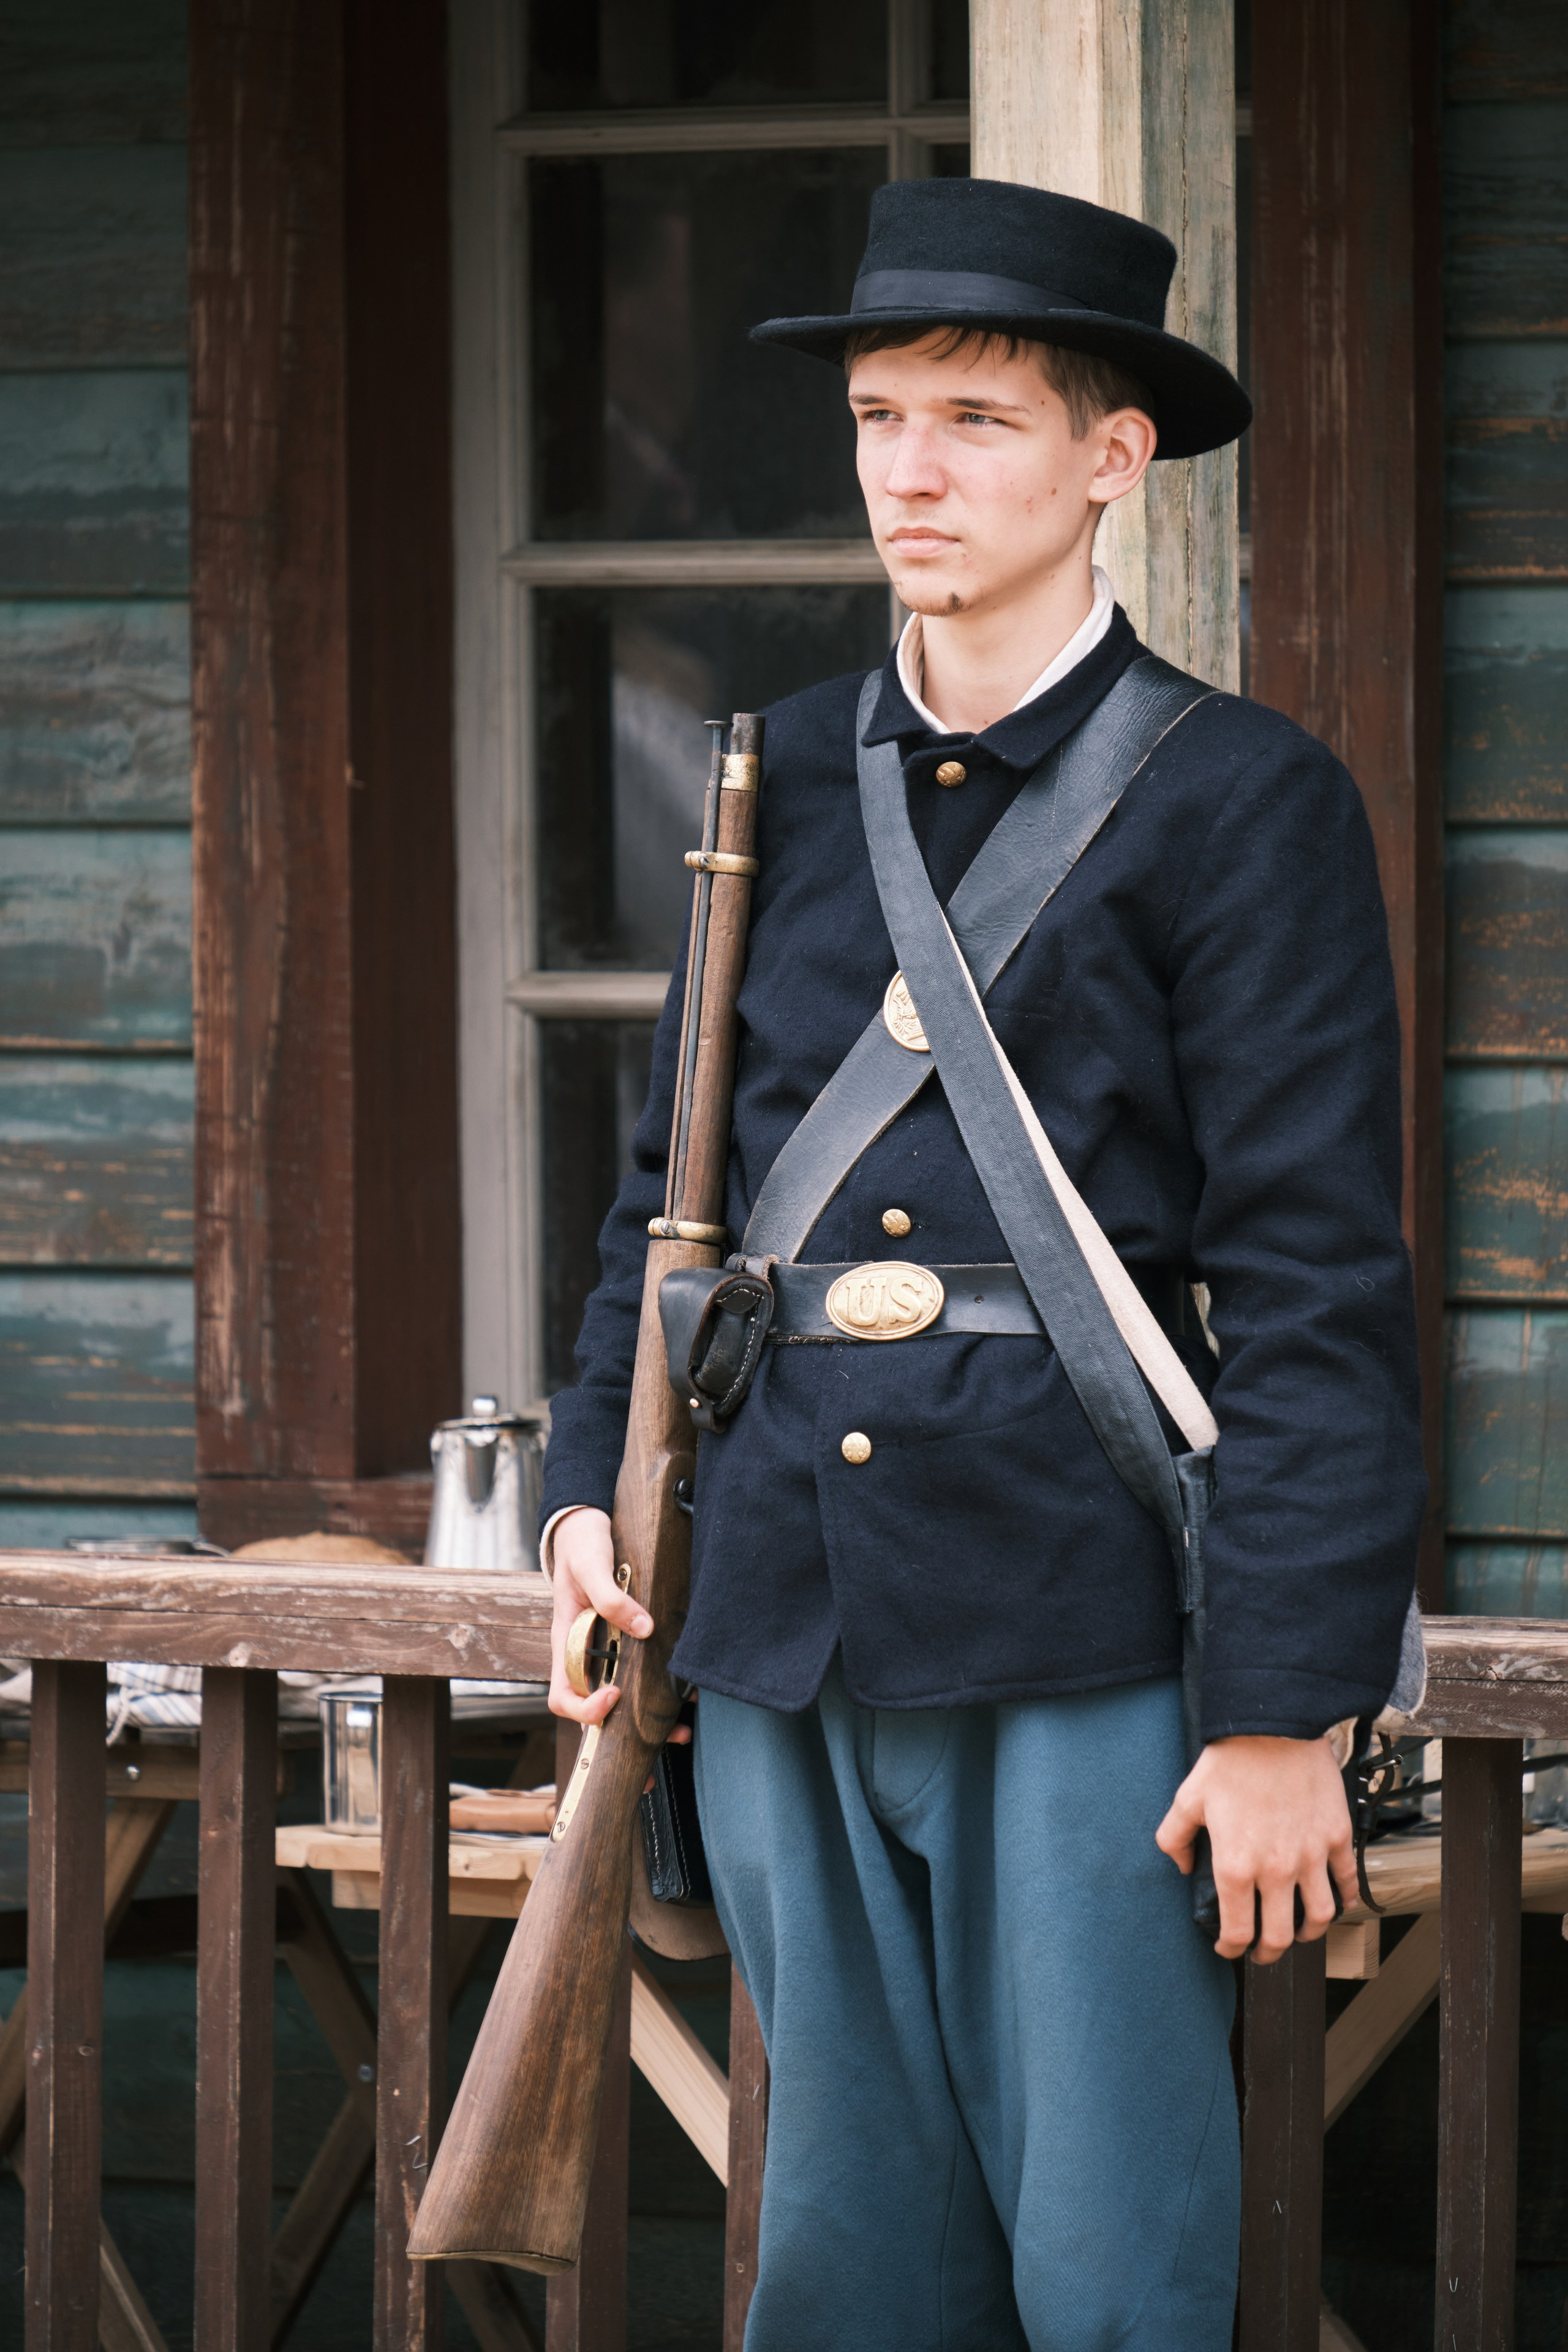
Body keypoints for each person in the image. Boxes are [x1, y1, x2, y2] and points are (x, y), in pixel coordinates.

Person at [538, 178, 1425, 2351]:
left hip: (1078, 1615)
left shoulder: (1244, 801)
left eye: (976, 418)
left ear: (1111, 457)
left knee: (1110, 2256)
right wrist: (585, 1494)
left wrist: (1288, 1705)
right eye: (876, 416)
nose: (910, 473)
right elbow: (671, 1196)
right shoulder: (785, 784)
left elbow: (1316, 1285)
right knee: (845, 2250)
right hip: (775, 1608)